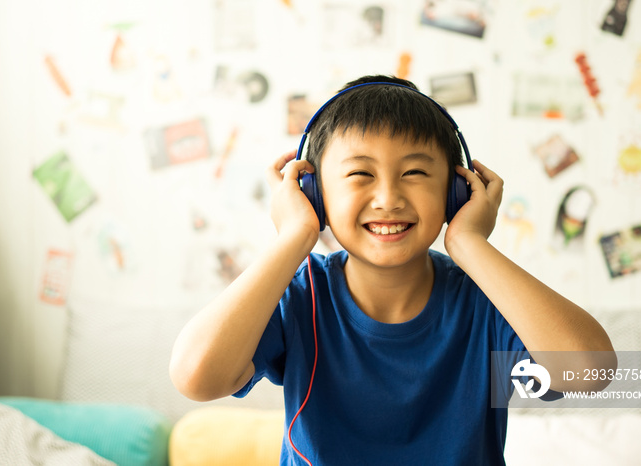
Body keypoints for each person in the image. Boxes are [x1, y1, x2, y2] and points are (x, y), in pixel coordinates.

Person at [170, 75, 615, 465]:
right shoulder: (302, 295)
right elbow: (196, 376)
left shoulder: (486, 302)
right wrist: (293, 237)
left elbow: (591, 371)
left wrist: (469, 243)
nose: (388, 197)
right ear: (314, 193)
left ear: (457, 191)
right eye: (360, 174)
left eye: (416, 172)